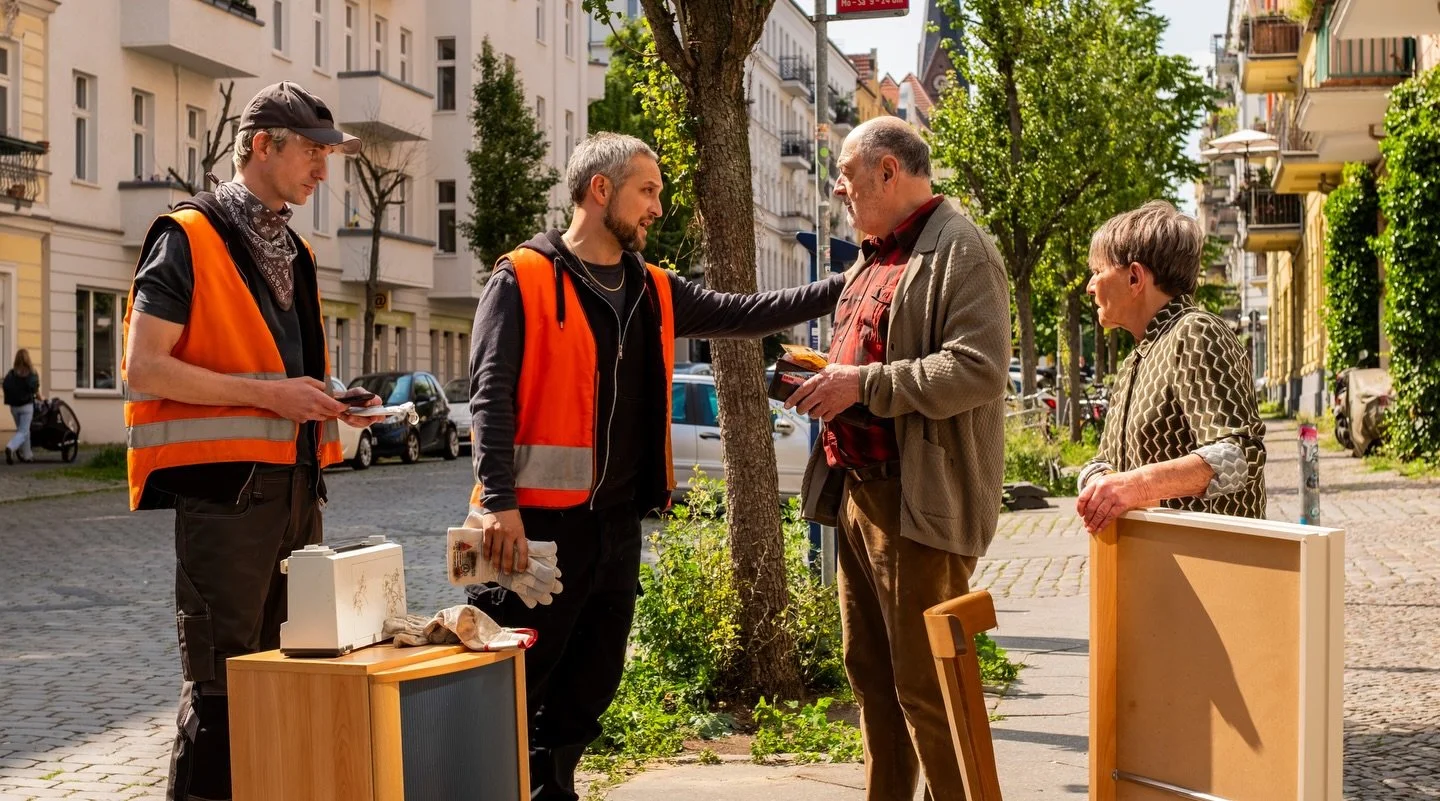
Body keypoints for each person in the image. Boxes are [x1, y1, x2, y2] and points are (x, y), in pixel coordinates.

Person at [464, 131, 846, 801]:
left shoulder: (653, 289)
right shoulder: (520, 277)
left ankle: (558, 785)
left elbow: (748, 312)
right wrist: (499, 502)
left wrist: (849, 284)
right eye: (649, 190)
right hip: (534, 528)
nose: (659, 207)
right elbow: (490, 394)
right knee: (521, 679)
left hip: (614, 525)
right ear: (600, 189)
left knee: (595, 677)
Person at [122, 81, 376, 801]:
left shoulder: (296, 250)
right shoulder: (186, 236)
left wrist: (329, 400)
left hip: (295, 491)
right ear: (264, 145)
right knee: (222, 689)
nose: (325, 170)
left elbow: (275, 368)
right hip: (224, 497)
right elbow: (144, 367)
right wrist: (273, 395)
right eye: (314, 153)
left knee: (284, 676)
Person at [785, 117, 1012, 801]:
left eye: (848, 177)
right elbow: (871, 361)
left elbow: (976, 370)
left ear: (889, 171)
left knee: (928, 686)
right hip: (858, 495)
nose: (839, 190)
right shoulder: (872, 256)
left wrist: (861, 384)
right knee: (872, 680)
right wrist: (827, 375)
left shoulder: (961, 250)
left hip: (916, 503)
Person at [1075, 200, 1266, 533]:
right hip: (1158, 564)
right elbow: (1103, 462)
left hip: (1211, 566)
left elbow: (1240, 456)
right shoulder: (1137, 358)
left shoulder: (1195, 332)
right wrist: (1099, 481)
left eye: (1097, 271)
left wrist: (1140, 485)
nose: (1090, 286)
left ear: (1135, 277)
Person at [3, 349, 41, 464]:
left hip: (14, 407)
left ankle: (28, 456)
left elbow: (5, 386)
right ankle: (10, 447)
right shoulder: (32, 372)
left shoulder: (11, 373)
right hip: (26, 406)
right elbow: (35, 390)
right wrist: (41, 398)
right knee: (23, 431)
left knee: (23, 430)